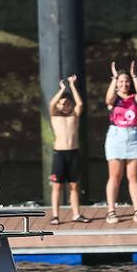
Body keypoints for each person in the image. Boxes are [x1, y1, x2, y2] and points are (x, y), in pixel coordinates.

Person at [103, 60, 137, 224]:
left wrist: (134, 76)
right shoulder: (114, 99)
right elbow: (108, 99)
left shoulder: (134, 98)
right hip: (116, 135)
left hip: (133, 135)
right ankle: (111, 211)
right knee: (114, 176)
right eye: (121, 81)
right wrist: (114, 79)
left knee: (133, 176)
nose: (124, 84)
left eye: (126, 81)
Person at [48, 75, 88, 225]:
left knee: (74, 185)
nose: (65, 106)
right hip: (59, 153)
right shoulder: (54, 116)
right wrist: (62, 90)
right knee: (57, 186)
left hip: (73, 153)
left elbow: (80, 103)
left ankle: (76, 214)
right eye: (62, 104)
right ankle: (55, 215)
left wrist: (72, 86)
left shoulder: (74, 116)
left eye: (67, 103)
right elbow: (52, 104)